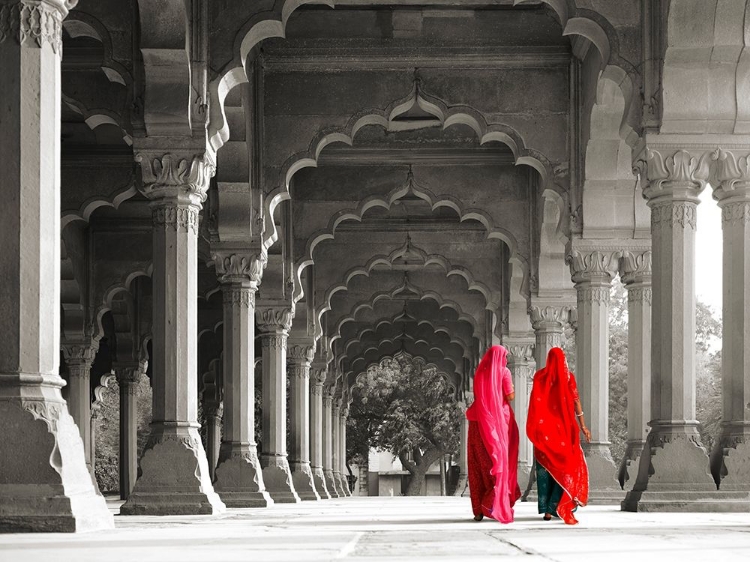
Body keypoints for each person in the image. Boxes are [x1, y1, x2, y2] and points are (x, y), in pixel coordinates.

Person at [526, 347, 591, 525]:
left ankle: (546, 510)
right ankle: (557, 506)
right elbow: (576, 401)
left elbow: (534, 403)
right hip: (564, 430)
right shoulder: (568, 377)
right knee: (565, 467)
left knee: (545, 470)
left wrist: (536, 425)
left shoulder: (539, 377)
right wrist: (583, 425)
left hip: (544, 432)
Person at [466, 345, 521, 523]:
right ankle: (490, 503)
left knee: (477, 464)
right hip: (497, 422)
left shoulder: (480, 372)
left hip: (477, 421)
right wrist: (510, 387)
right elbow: (510, 396)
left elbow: (480, 396)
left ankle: (477, 511)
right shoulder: (504, 372)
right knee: (498, 463)